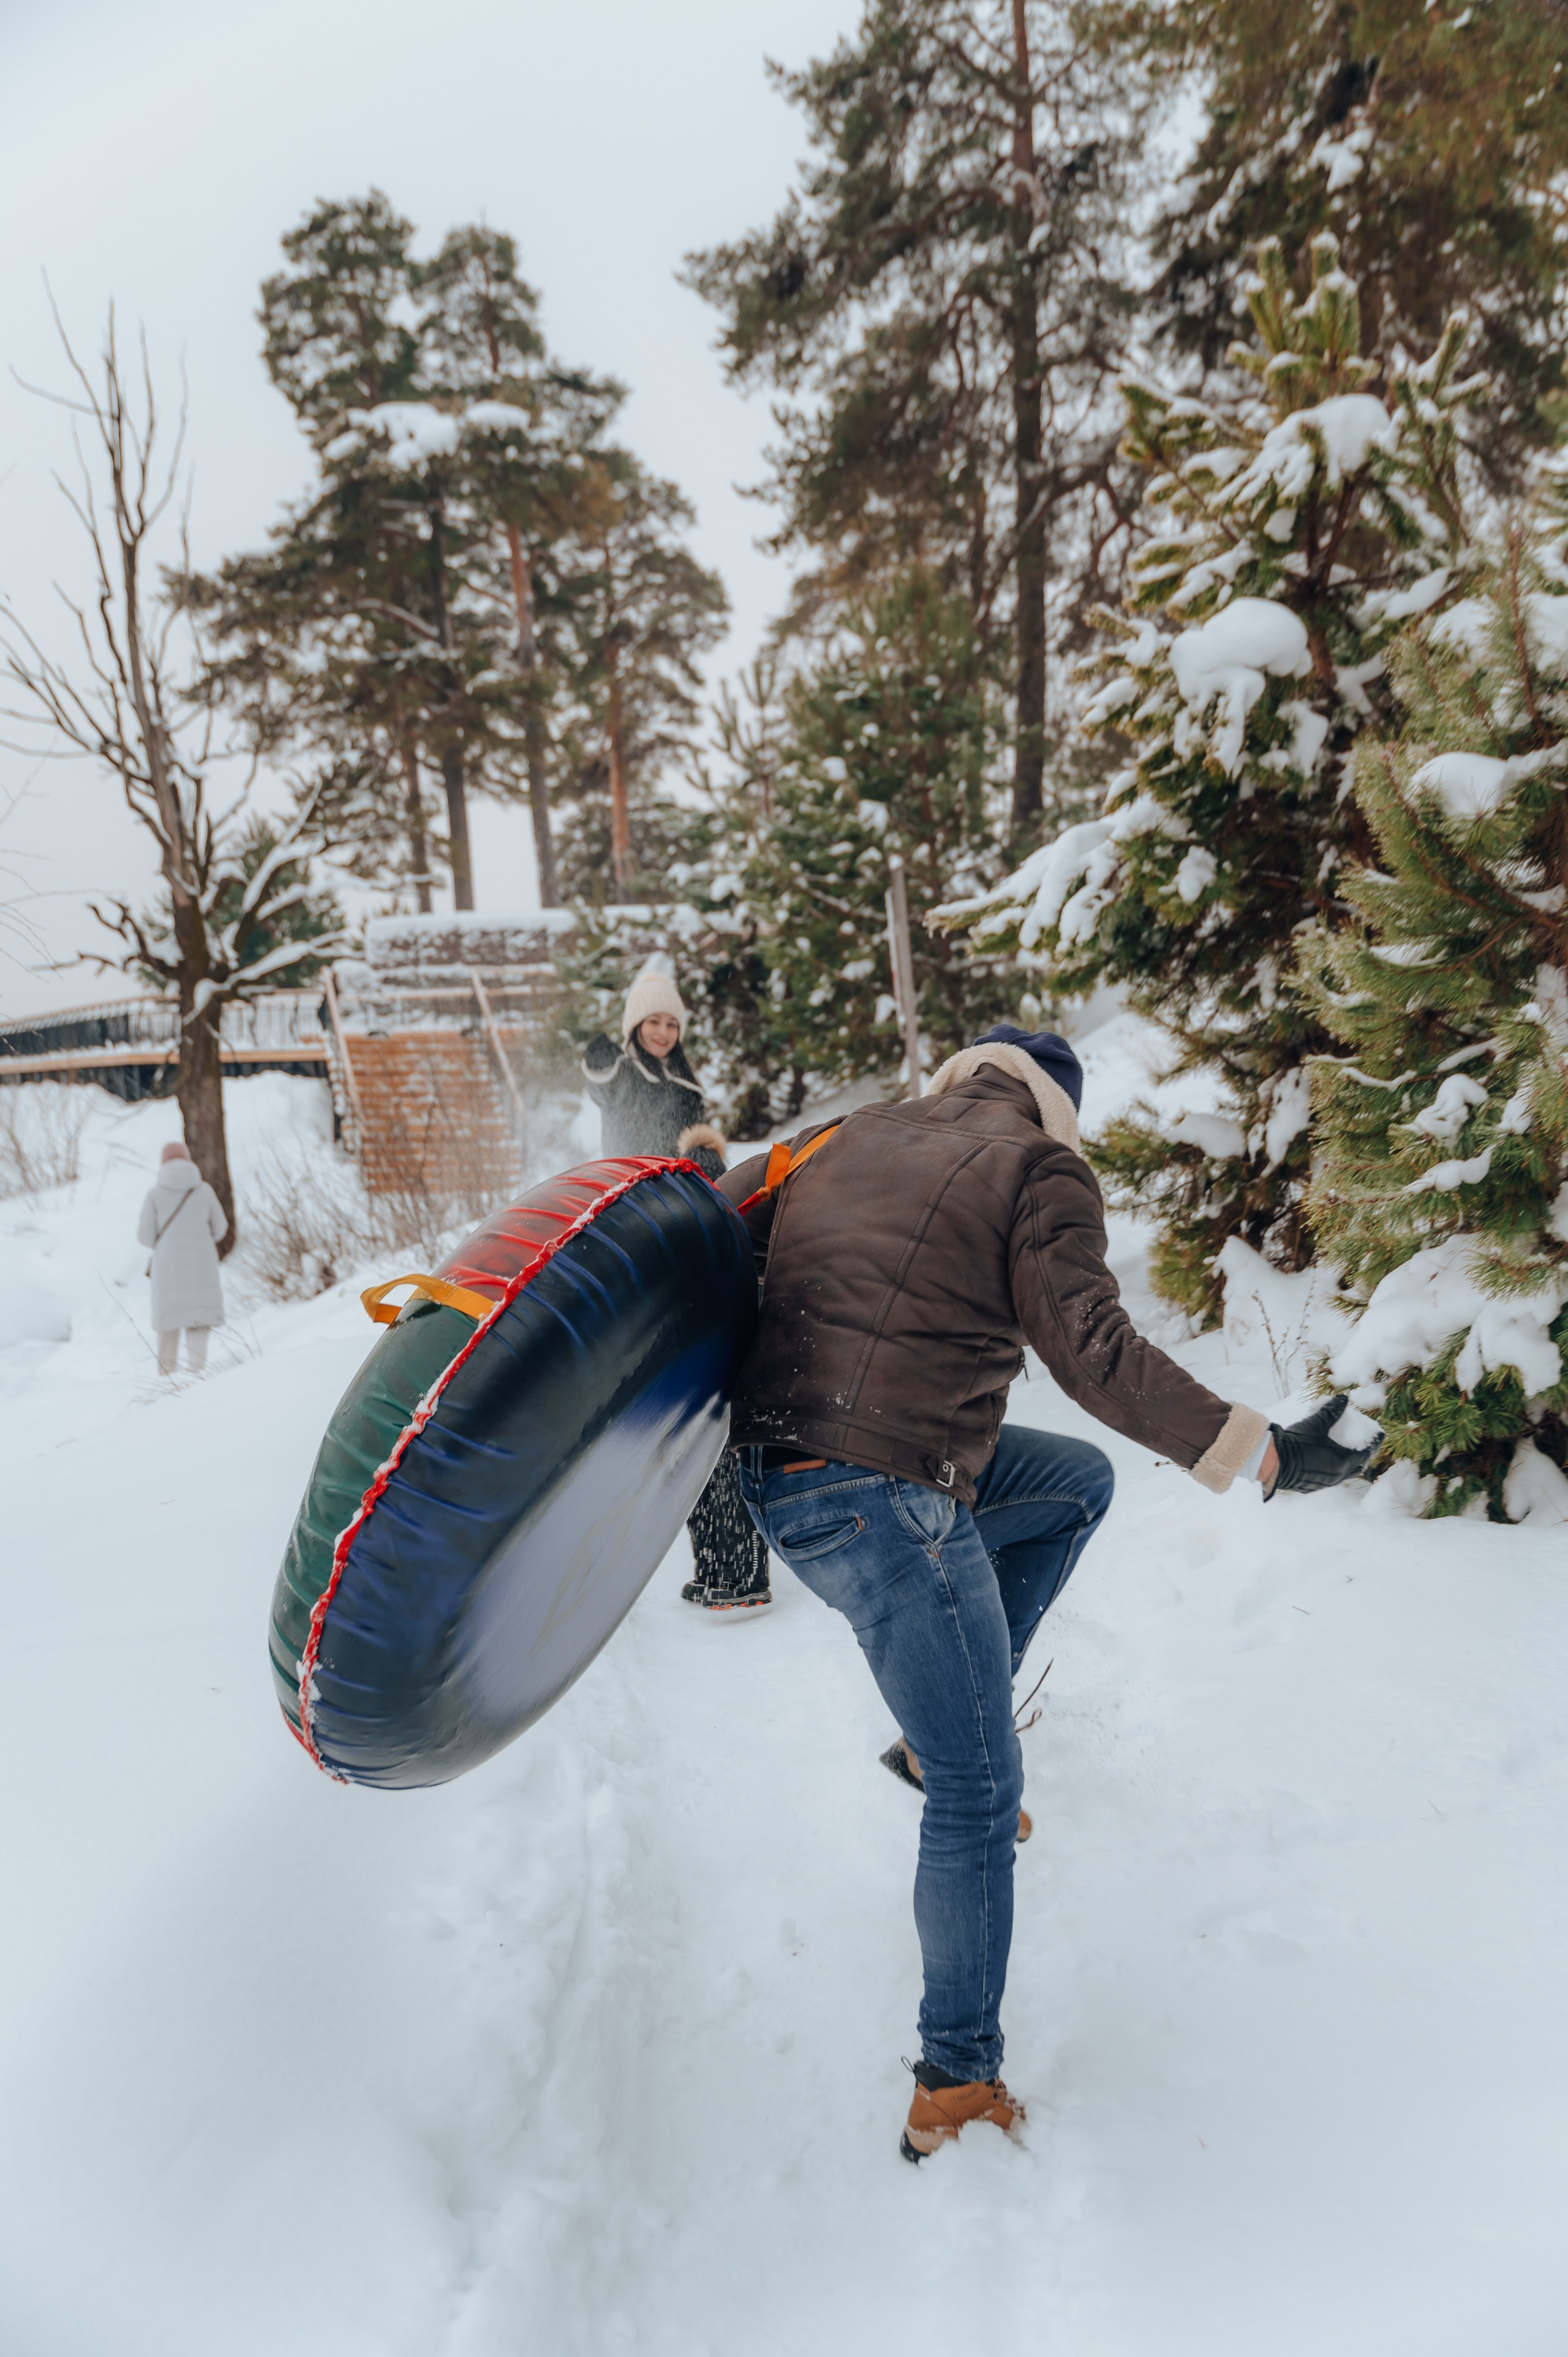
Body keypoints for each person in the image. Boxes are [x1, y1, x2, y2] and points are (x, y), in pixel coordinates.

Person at [720, 1024, 1374, 2162]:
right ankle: (956, 2086)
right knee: (981, 1790)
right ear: (1056, 1107)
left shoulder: (849, 1131)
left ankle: (935, 1737)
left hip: (778, 1470)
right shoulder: (1038, 1166)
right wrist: (1263, 1450)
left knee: (1075, 1482)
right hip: (880, 1489)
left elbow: (722, 1234)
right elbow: (1092, 1349)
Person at [582, 967, 772, 1614]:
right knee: (688, 1417)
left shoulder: (687, 1086)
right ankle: (725, 1565)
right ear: (635, 1025)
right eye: (653, 1022)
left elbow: (701, 1155)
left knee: (697, 1414)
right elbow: (600, 1087)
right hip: (637, 1225)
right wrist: (597, 1056)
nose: (663, 1032)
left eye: (672, 1023)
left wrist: (705, 1169)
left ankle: (735, 1569)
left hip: (678, 1233)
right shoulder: (621, 1073)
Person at [137, 1139, 227, 1376]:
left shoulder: (155, 1195)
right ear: (188, 1159)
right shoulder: (204, 1191)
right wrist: (201, 1240)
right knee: (198, 1319)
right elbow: (220, 1227)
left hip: (167, 1264)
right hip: (202, 1262)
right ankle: (197, 1373)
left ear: (163, 1163)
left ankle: (167, 1377)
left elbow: (145, 1237)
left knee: (169, 1320)